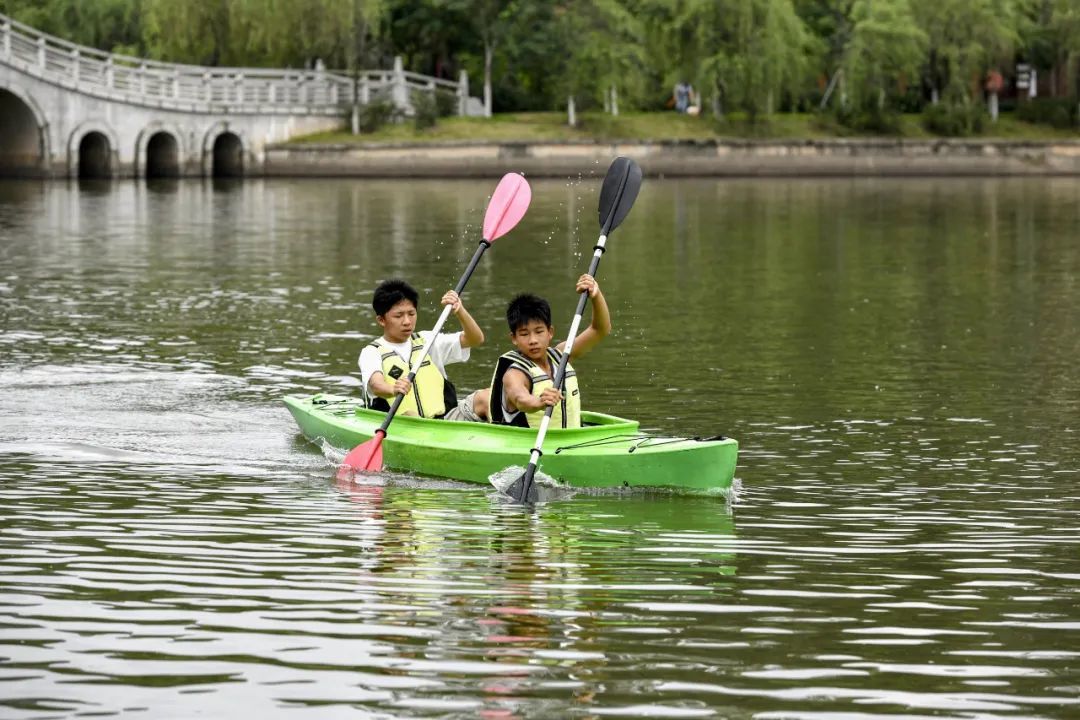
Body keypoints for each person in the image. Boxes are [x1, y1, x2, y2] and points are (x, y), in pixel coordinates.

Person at [488, 274, 610, 429]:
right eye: (524, 334)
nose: (533, 340)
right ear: (514, 338)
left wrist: (596, 295)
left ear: (550, 332)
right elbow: (520, 399)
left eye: (539, 331)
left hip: (572, 441)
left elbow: (600, 329)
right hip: (530, 444)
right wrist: (539, 402)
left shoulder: (562, 355)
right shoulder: (515, 373)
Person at [358, 279, 489, 422]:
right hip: (398, 423)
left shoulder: (428, 340)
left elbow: (475, 339)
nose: (407, 321)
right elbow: (376, 385)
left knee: (485, 397)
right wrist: (392, 390)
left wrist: (460, 311)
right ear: (381, 320)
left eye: (411, 314)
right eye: (398, 316)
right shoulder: (371, 352)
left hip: (444, 420)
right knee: (410, 415)